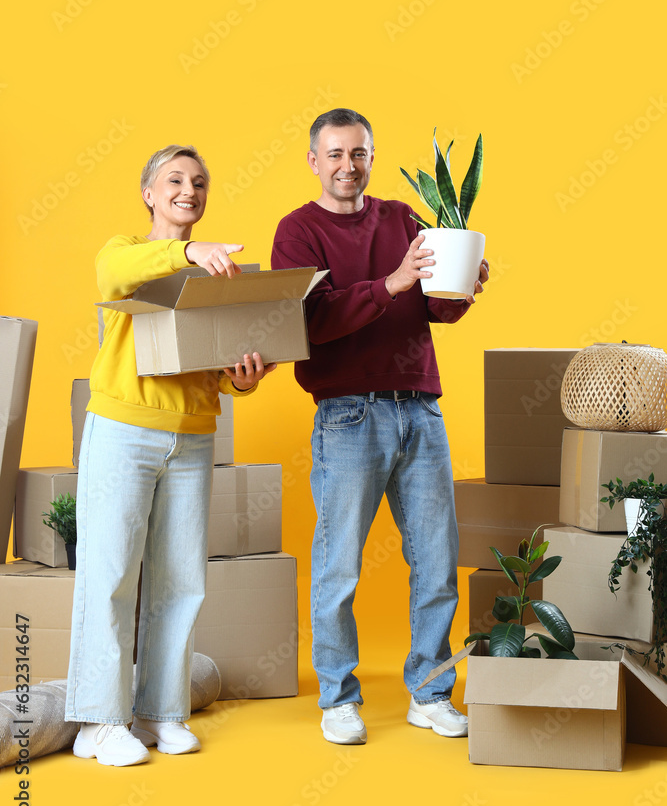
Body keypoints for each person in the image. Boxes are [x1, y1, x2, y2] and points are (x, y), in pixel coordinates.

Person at [271, 109, 488, 745]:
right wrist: (392, 281)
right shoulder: (297, 230)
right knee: (338, 566)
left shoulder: (401, 217)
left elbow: (436, 307)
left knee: (437, 560)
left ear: (371, 155)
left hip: (419, 405)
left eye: (359, 153)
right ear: (314, 161)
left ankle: (430, 691)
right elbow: (311, 323)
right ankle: (338, 698)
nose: (348, 166)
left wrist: (463, 286)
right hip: (348, 414)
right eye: (335, 154)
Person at [65, 144, 275, 766]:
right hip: (124, 431)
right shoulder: (124, 253)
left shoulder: (218, 278)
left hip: (193, 433)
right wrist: (188, 252)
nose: (190, 190)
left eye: (200, 182)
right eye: (175, 179)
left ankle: (160, 712)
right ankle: (98, 722)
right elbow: (113, 277)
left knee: (181, 580)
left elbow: (220, 364)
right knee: (109, 574)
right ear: (149, 194)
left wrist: (243, 377)